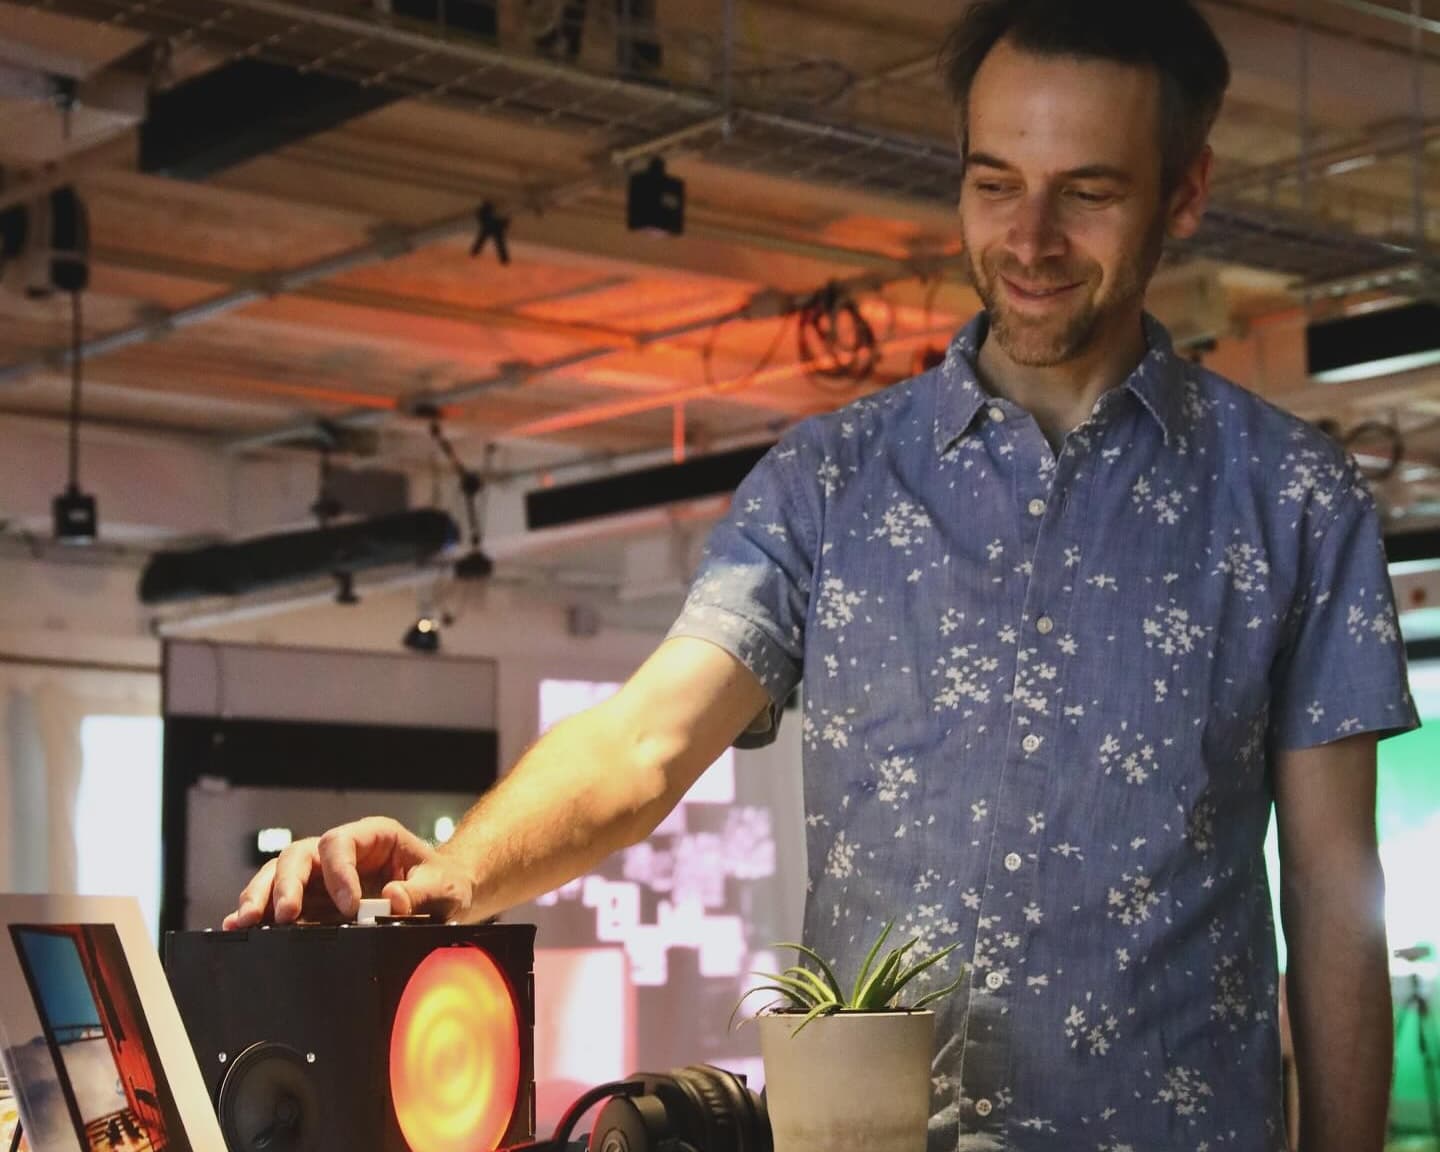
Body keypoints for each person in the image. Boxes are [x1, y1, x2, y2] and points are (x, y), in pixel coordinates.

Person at [226, 1, 1418, 1148]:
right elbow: (641, 748)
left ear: (1186, 192)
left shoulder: (1291, 500)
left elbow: (1330, 892)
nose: (1030, 238)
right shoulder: (831, 481)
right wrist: (451, 875)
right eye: (993, 181)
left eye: (1090, 192)